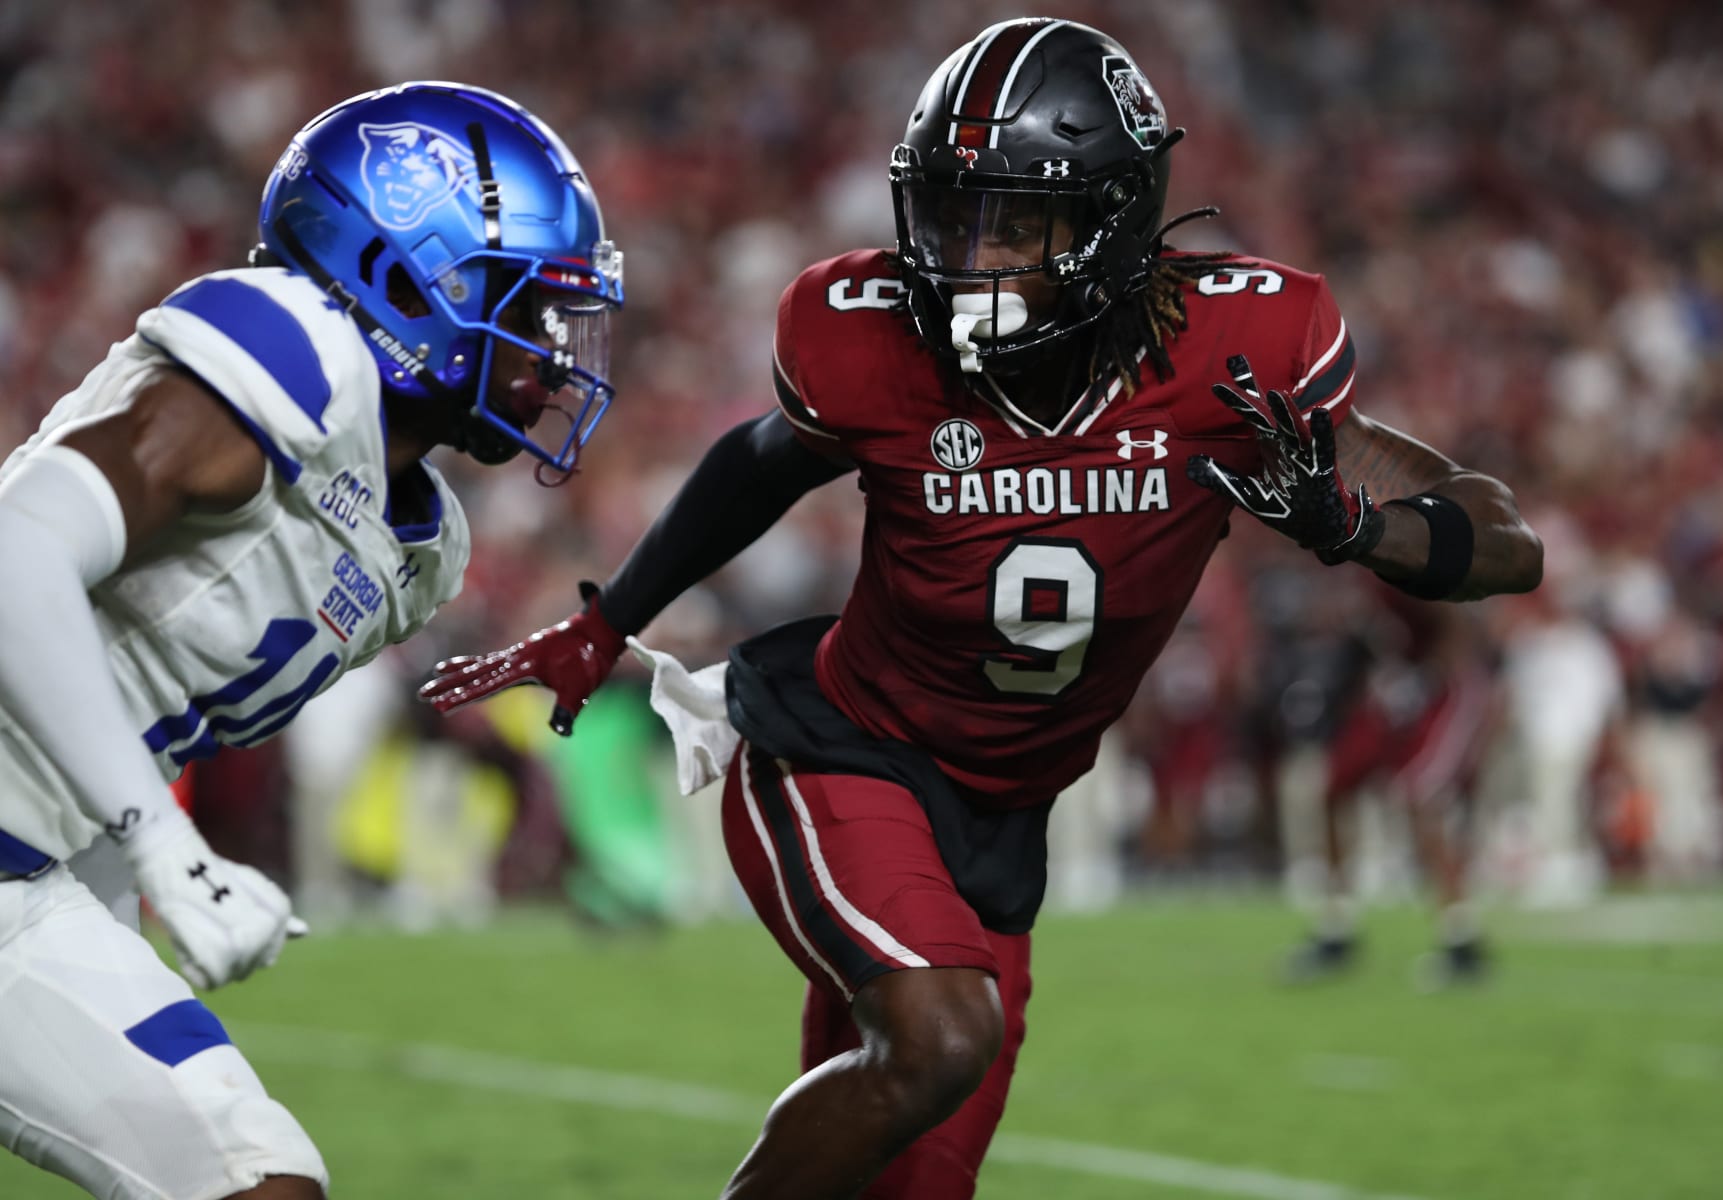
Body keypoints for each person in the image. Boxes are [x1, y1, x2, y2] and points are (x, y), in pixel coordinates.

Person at [423, 17, 1542, 1200]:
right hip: (841, 753)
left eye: (1015, 220)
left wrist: (1355, 529)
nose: (970, 252)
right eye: (954, 213)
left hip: (1001, 825)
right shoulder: (872, 341)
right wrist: (611, 622)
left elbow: (1501, 542)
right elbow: (761, 463)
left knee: (916, 1169)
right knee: (940, 1038)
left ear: (1112, 222)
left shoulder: (1235, 355)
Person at [0, 82, 624, 1199]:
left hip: (40, 859)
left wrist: (119, 871)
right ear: (402, 277)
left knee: (258, 1180)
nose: (550, 354)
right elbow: (15, 557)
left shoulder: (423, 546)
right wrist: (164, 847)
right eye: (521, 307)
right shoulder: (294, 346)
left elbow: (129, 695)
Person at [1283, 590, 1505, 987]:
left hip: (1444, 686)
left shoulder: (1401, 548)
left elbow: (1455, 620)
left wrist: (1427, 674)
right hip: (1391, 689)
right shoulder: (1342, 562)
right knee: (1334, 788)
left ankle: (1462, 938)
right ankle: (1336, 926)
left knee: (1421, 799)